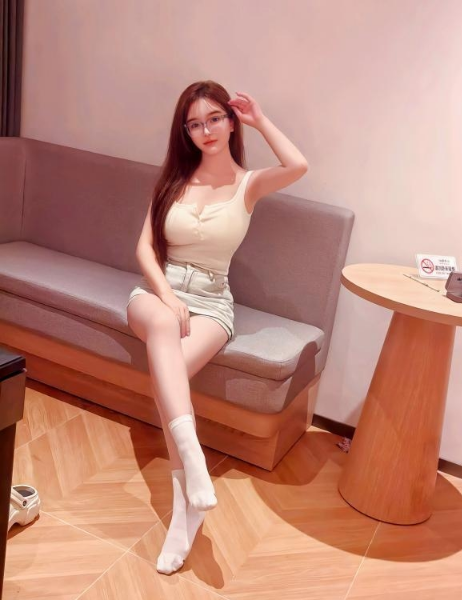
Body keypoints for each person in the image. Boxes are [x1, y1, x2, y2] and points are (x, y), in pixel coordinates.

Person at [126, 80, 308, 575]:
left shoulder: (249, 185)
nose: (205, 130)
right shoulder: (173, 180)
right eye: (194, 124)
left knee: (168, 377)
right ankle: (194, 466)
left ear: (230, 123)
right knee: (163, 328)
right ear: (184, 132)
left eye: (214, 119)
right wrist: (167, 296)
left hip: (212, 303)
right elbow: (144, 248)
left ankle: (185, 507)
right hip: (157, 293)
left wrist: (260, 120)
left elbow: (298, 165)